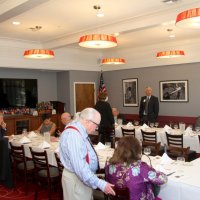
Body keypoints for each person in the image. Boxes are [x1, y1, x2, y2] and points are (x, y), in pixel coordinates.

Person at [59, 107, 115, 200]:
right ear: (87, 121)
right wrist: (100, 183)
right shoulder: (74, 136)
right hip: (76, 180)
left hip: (82, 178)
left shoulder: (78, 130)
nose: (96, 128)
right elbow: (80, 169)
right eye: (96, 125)